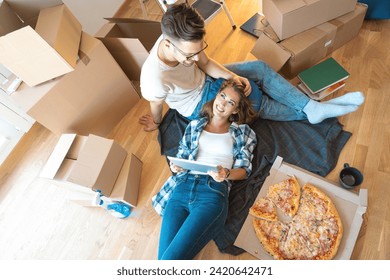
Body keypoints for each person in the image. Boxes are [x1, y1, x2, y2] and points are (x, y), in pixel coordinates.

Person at [139, 2, 364, 131]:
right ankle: (307, 113)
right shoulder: (153, 79)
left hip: (204, 79)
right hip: (197, 101)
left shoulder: (183, 39)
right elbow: (156, 106)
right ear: (167, 44)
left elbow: (205, 63)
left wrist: (232, 76)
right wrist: (156, 122)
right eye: (189, 55)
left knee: (259, 68)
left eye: (199, 50)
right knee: (254, 101)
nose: (196, 58)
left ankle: (312, 107)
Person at [153, 79, 257, 260]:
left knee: (168, 260)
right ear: (216, 95)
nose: (222, 104)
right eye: (222, 96)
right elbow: (182, 156)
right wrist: (176, 166)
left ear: (235, 110)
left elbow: (244, 170)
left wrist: (226, 174)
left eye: (230, 102)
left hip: (212, 192)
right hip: (182, 187)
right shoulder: (194, 126)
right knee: (164, 259)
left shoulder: (242, 132)